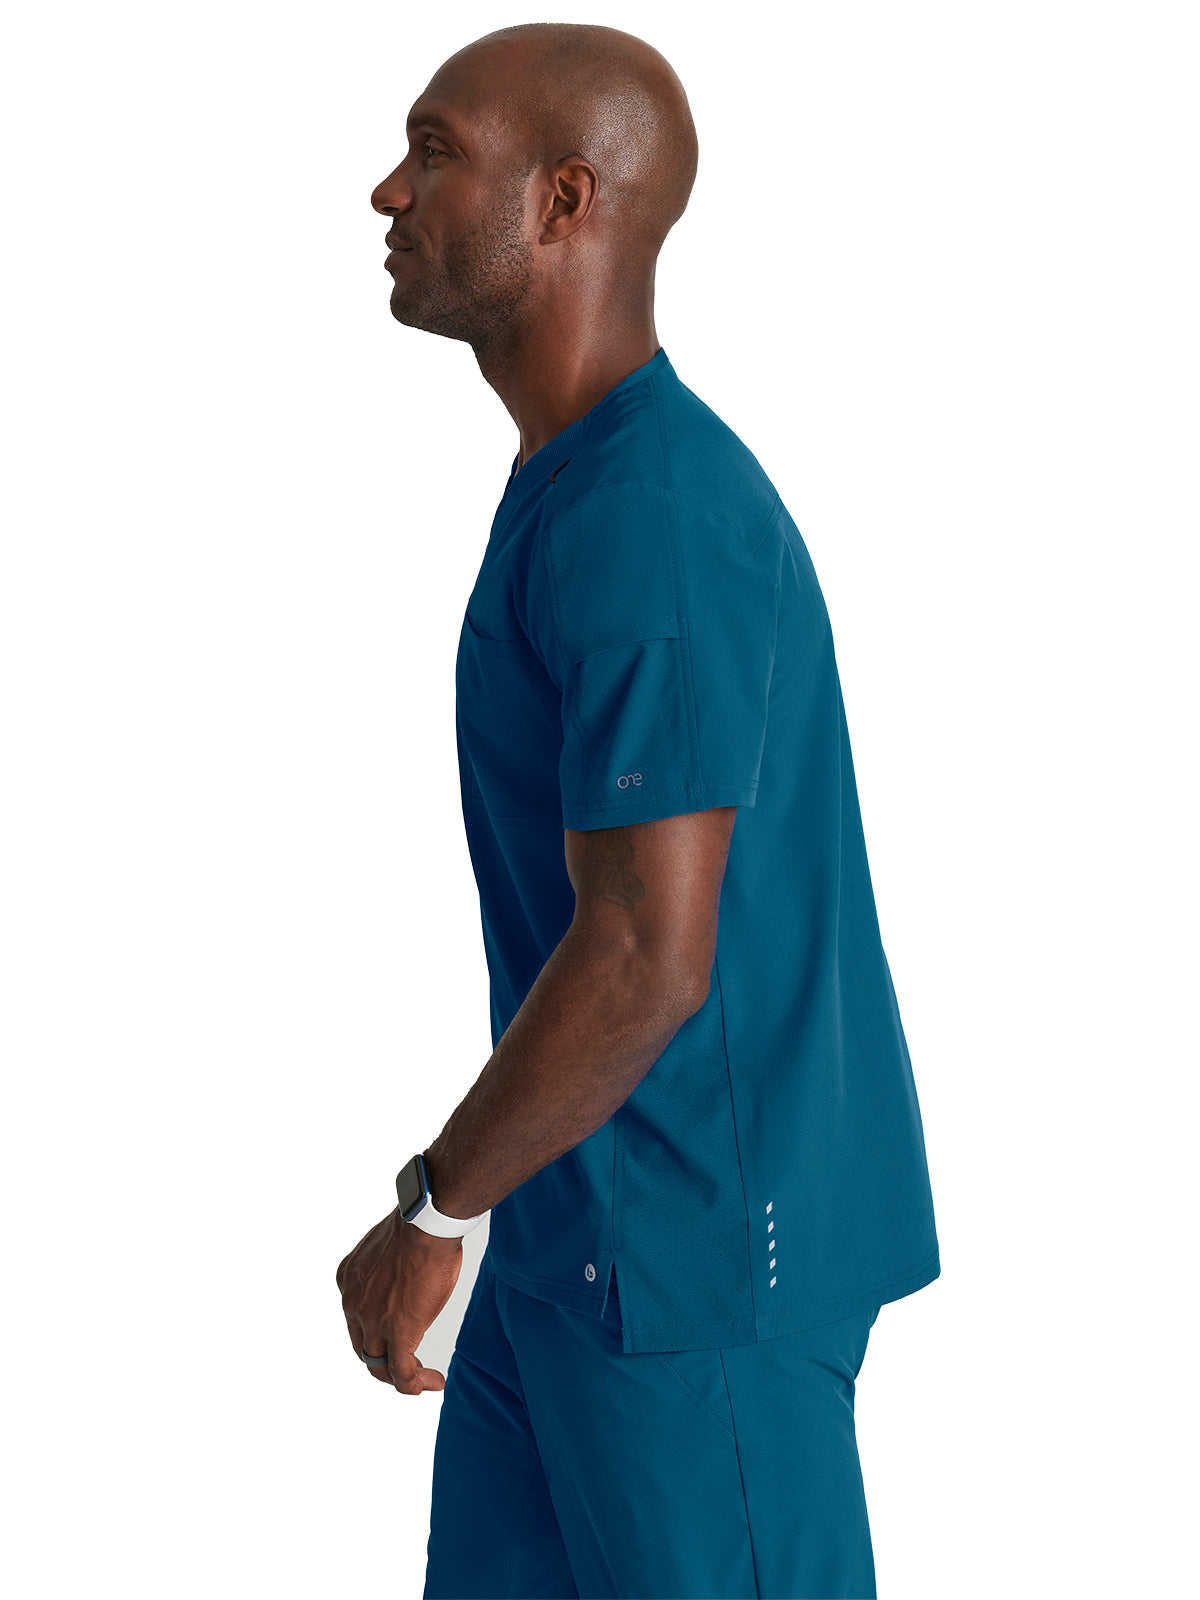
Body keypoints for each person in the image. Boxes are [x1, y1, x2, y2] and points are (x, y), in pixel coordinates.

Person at [336, 21, 941, 1600]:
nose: (388, 190)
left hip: (694, 1282)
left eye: (436, 152)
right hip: (574, 1243)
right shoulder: (574, 486)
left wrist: (435, 1206)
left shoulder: (652, 517)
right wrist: (486, 1210)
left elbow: (643, 958)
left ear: (565, 200)